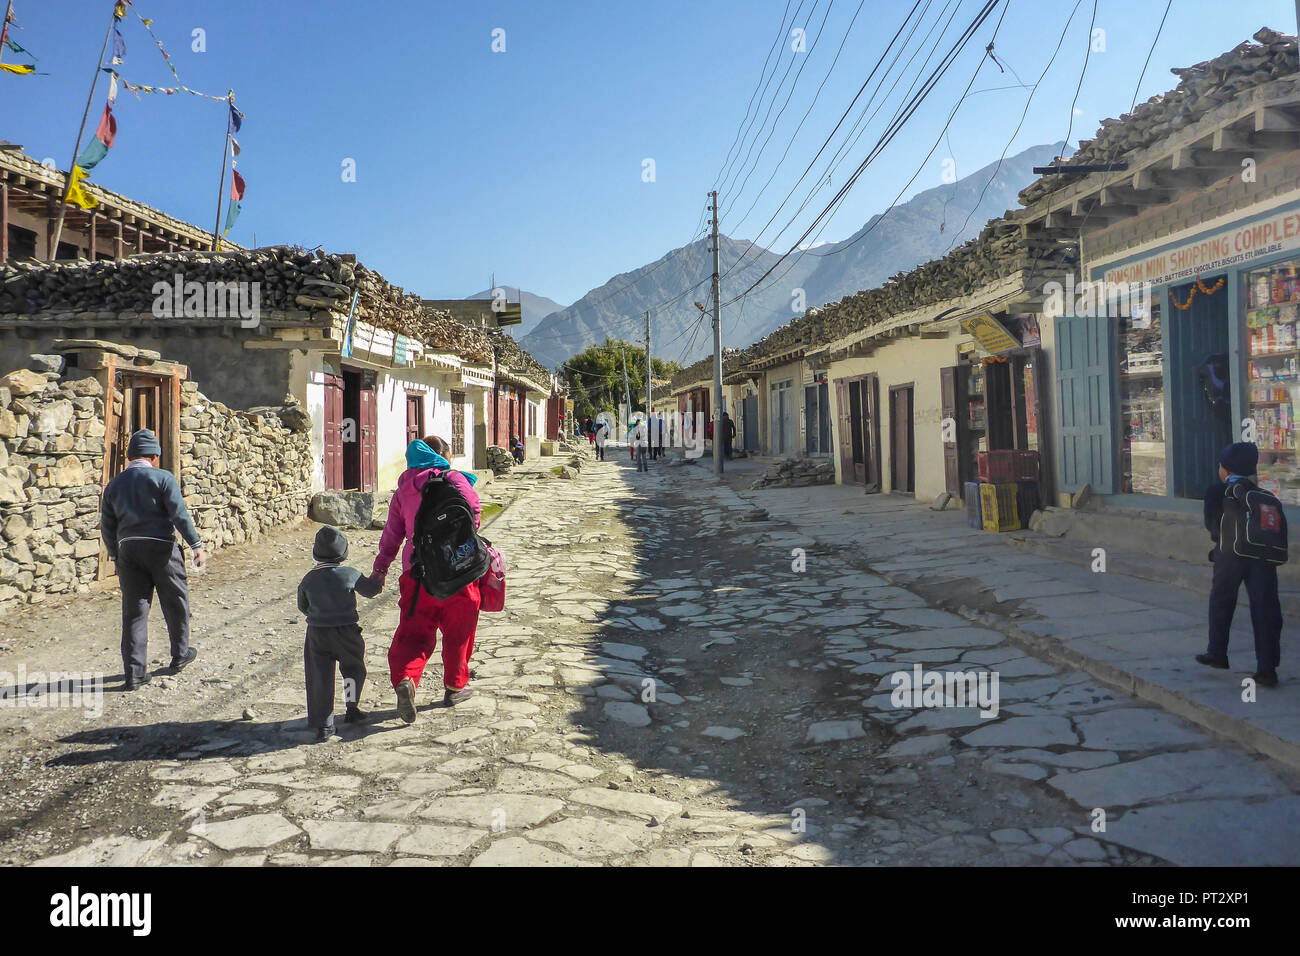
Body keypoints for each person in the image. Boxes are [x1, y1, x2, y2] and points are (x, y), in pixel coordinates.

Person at [373, 439, 483, 720]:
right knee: (460, 631)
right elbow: (474, 515)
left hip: (417, 571)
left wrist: (380, 569)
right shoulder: (456, 479)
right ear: (443, 455)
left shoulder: (403, 489)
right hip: (459, 568)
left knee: (414, 632)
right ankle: (454, 687)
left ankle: (406, 680)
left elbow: (392, 535)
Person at [100, 429, 206, 691]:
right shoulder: (163, 478)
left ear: (130, 457)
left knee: (135, 611)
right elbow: (179, 514)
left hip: (129, 552)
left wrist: (116, 555)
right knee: (175, 601)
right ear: (155, 457)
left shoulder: (114, 485)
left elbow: (107, 527)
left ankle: (134, 674)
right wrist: (195, 544)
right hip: (162, 550)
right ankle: (180, 655)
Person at [1199, 442, 1283, 687]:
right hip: (1263, 558)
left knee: (1222, 602)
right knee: (1266, 609)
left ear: (1224, 470)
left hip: (1230, 556)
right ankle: (1267, 669)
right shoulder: (1265, 496)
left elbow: (1212, 525)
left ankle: (1217, 653)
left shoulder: (1216, 491)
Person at [298, 526, 382, 741]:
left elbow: (303, 606)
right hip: (347, 633)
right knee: (353, 670)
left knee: (320, 678)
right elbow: (371, 591)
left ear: (315, 552)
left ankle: (324, 726)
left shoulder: (308, 579)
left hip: (317, 634)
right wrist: (376, 580)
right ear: (344, 553)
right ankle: (352, 708)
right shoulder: (350, 574)